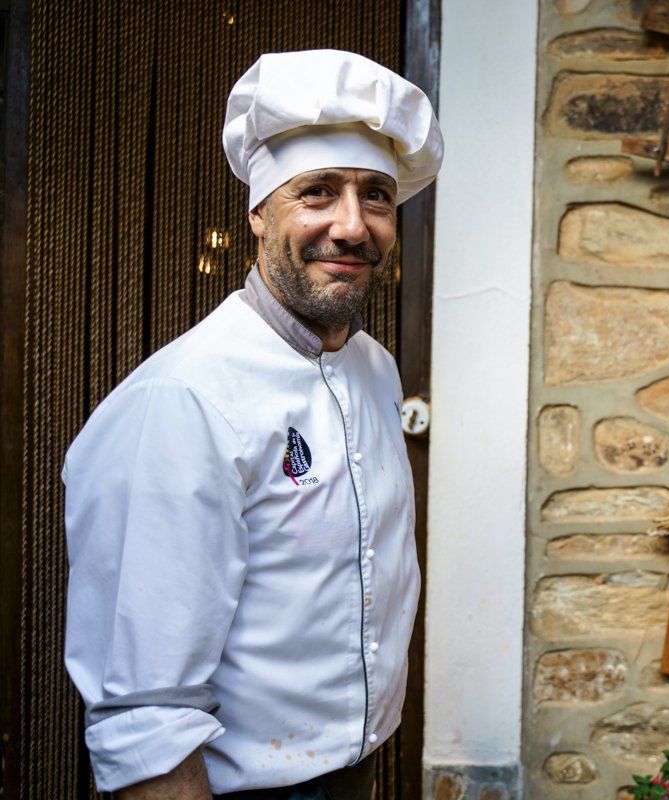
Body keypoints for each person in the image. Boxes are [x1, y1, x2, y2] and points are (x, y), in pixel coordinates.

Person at [62, 49, 442, 800]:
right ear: (259, 214)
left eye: (375, 197)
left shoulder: (373, 368)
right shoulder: (182, 402)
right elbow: (146, 712)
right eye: (317, 193)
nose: (351, 225)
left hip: (356, 773)